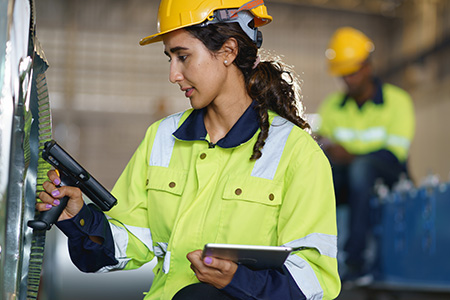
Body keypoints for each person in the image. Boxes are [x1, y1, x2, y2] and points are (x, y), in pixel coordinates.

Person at [37, 0, 341, 299]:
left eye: (183, 57)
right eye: (169, 58)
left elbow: (314, 280)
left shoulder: (297, 153)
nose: (173, 75)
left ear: (228, 51)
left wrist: (238, 281)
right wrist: (80, 219)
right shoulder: (162, 137)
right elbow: (130, 241)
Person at [316, 27, 415, 281]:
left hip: (388, 175)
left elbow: (394, 153)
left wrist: (349, 156)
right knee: (318, 173)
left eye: (353, 71)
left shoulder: (398, 102)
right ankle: (315, 254)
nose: (348, 78)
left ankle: (356, 260)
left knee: (361, 169)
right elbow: (325, 148)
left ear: (368, 66)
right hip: (349, 177)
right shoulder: (332, 106)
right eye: (343, 74)